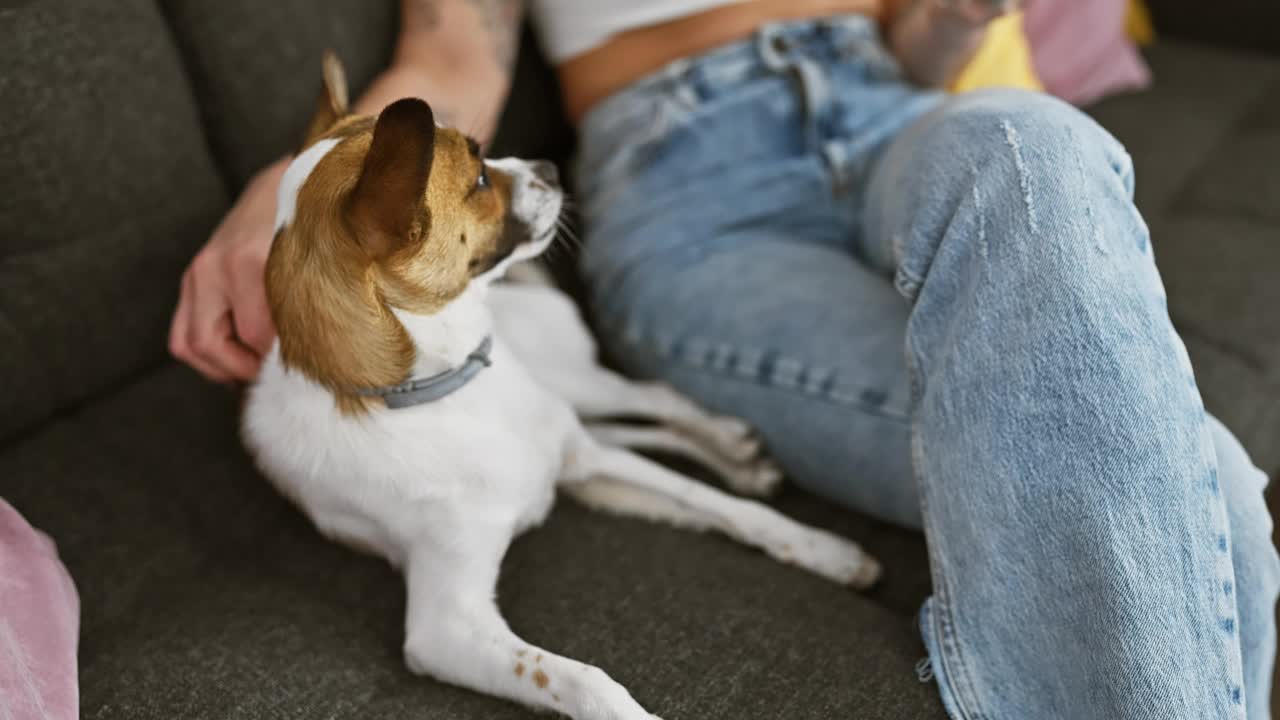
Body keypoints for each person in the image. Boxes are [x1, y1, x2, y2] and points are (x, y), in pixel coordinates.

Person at [168, 1, 1280, 717]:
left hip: (894, 114)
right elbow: (452, 61)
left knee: (1031, 139)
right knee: (1208, 489)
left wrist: (953, 16)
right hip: (691, 181)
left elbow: (916, 39)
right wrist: (283, 207)